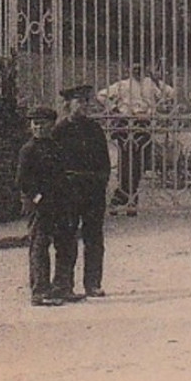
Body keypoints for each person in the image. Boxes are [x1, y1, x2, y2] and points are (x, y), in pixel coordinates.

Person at [53, 84, 113, 297]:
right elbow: (53, 165)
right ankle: (64, 284)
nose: (84, 106)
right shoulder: (59, 131)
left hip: (92, 192)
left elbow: (104, 163)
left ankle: (93, 283)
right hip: (69, 192)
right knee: (66, 237)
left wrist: (100, 184)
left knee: (94, 238)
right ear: (69, 104)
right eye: (80, 101)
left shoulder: (94, 129)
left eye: (87, 101)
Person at [15, 105, 75, 307]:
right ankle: (40, 291)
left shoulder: (56, 147)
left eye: (43, 123)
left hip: (59, 203)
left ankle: (62, 287)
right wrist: (38, 198)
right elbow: (23, 180)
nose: (38, 128)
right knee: (39, 246)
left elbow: (63, 175)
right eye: (35, 124)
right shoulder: (28, 150)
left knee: (65, 244)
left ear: (52, 125)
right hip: (40, 206)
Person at [97, 62, 175, 215]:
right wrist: (115, 110)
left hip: (144, 125)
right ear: (129, 69)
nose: (138, 70)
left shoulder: (151, 84)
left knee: (140, 164)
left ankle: (123, 198)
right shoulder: (123, 85)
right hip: (127, 125)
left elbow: (171, 94)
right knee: (127, 163)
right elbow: (101, 95)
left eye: (141, 67)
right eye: (134, 68)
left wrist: (157, 80)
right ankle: (127, 200)